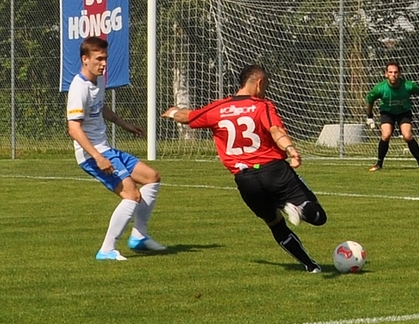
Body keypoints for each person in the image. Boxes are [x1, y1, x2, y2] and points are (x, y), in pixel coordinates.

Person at [161, 64, 326, 273]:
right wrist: (291, 149)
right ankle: (297, 208)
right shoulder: (262, 106)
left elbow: (187, 117)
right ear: (259, 82)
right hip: (274, 170)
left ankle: (310, 266)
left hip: (245, 180)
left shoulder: (218, 108)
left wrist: (173, 112)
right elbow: (275, 130)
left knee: (275, 224)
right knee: (318, 216)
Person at [67, 36, 166, 261]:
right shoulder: (78, 88)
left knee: (152, 177)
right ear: (85, 59)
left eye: (105, 59)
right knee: (132, 195)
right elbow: (74, 129)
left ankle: (139, 237)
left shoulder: (98, 81)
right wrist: (97, 157)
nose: (103, 64)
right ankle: (107, 249)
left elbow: (102, 108)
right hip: (93, 154)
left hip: (106, 149)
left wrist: (126, 125)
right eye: (99, 59)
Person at [365, 61, 419, 172]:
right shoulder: (380, 88)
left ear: (400, 74)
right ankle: (379, 164)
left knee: (407, 136)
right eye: (390, 72)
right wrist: (369, 116)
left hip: (403, 112)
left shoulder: (408, 86)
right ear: (386, 74)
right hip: (387, 112)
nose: (393, 75)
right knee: (386, 135)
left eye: (396, 72)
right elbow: (370, 100)